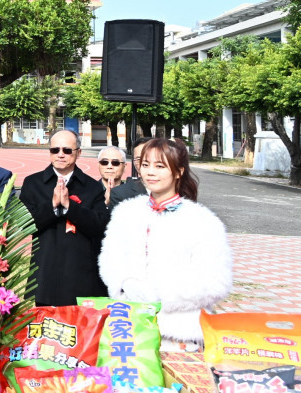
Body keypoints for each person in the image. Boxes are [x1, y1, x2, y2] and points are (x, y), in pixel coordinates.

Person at [99, 138, 231, 345]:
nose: (150, 172)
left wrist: (161, 296)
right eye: (145, 165)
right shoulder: (125, 213)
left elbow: (216, 282)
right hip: (129, 327)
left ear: (178, 171)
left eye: (160, 166)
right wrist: (125, 284)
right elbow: (109, 260)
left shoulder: (202, 220)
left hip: (180, 332)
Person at [20, 130, 109, 306]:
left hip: (81, 273)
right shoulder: (33, 183)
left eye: (67, 150)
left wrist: (70, 207)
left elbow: (99, 227)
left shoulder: (92, 187)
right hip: (45, 271)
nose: (60, 155)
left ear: (78, 153)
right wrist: (52, 205)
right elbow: (25, 224)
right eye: (55, 150)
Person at [97, 146, 145, 213]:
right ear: (98, 165)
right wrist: (106, 203)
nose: (109, 166)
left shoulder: (134, 192)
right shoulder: (89, 190)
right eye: (104, 162)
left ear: (124, 167)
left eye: (115, 163)